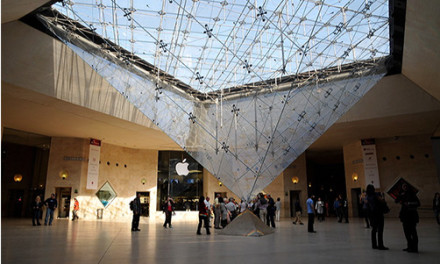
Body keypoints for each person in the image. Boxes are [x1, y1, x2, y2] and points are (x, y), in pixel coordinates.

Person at [396, 184, 420, 253]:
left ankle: (415, 248)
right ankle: (409, 246)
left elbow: (418, 203)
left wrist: (409, 203)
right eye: (403, 187)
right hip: (405, 216)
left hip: (411, 216)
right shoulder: (403, 194)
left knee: (413, 232)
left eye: (406, 186)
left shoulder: (412, 194)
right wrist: (400, 195)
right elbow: (396, 200)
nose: (405, 188)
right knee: (407, 233)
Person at [366, 184, 389, 250]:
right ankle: (380, 245)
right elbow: (382, 201)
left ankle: (374, 244)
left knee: (374, 230)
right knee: (380, 230)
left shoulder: (368, 196)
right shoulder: (376, 195)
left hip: (372, 214)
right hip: (378, 213)